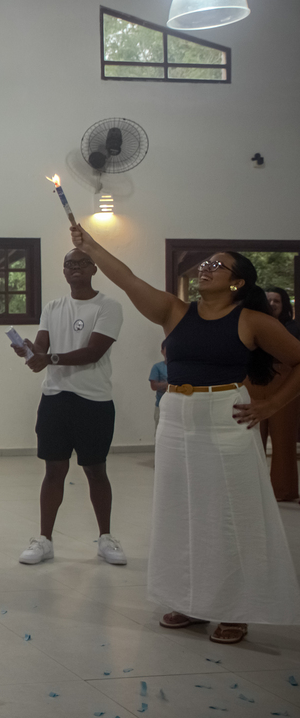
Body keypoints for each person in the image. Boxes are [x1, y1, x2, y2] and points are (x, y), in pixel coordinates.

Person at [71, 226, 300, 644]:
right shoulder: (175, 311)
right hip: (177, 419)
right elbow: (128, 279)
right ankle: (189, 600)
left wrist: (271, 405)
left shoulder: (252, 321)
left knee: (229, 516)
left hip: (225, 418)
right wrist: (91, 246)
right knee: (181, 512)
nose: (206, 269)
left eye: (218, 265)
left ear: (237, 282)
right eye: (205, 263)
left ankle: (236, 608)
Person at [12, 248, 125, 567]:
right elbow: (42, 347)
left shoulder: (108, 306)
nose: (75, 268)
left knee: (96, 470)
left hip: (94, 400)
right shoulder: (53, 307)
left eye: (82, 263)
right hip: (55, 398)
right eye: (69, 264)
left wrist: (49, 358)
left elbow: (93, 352)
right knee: (53, 471)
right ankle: (44, 540)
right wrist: (28, 350)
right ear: (63, 271)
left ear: (94, 269)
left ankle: (106, 538)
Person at [250, 286, 300, 501]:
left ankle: (283, 491)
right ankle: (251, 488)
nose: (271, 304)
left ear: (284, 305)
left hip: (284, 381)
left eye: (276, 301)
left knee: (283, 438)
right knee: (251, 437)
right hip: (253, 379)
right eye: (268, 300)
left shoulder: (293, 327)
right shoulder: (252, 323)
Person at [150, 342, 168, 430]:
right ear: (162, 351)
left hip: (176, 406)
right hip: (161, 406)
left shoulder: (180, 368)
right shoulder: (157, 367)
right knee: (159, 433)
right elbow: (153, 386)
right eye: (167, 350)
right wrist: (169, 385)